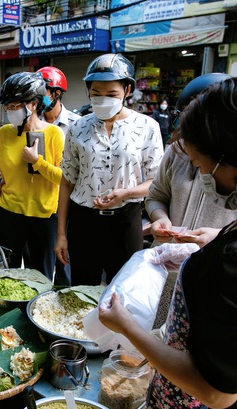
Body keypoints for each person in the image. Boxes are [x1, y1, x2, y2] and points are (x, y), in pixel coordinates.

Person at [99, 76, 237, 409]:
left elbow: (216, 391)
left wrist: (127, 327)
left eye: (202, 166)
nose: (200, 174)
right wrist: (216, 239)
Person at [55, 53, 163, 286]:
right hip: (84, 222)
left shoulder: (147, 127)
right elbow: (67, 182)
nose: (103, 99)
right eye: (96, 94)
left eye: (112, 94)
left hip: (125, 222)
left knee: (123, 291)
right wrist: (61, 234)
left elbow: (156, 181)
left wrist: (127, 193)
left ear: (127, 91)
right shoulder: (77, 128)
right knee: (82, 290)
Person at [146, 73, 237, 327]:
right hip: (168, 269)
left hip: (216, 273)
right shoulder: (175, 153)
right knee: (159, 331)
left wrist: (220, 236)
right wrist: (162, 220)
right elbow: (156, 196)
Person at [0, 72, 64, 280]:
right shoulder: (4, 133)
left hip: (44, 218)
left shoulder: (54, 134)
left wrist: (37, 162)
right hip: (9, 214)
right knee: (7, 273)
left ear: (33, 104)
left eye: (14, 106)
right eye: (7, 107)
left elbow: (63, 178)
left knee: (41, 276)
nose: (9, 112)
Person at [38, 65, 80, 286]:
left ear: (56, 93)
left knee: (65, 263)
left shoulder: (76, 124)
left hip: (67, 205)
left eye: (43, 91)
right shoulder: (32, 123)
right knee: (42, 266)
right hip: (40, 204)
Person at [38, 66, 80, 133]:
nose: (38, 97)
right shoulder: (33, 122)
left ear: (57, 94)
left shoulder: (77, 124)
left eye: (42, 92)